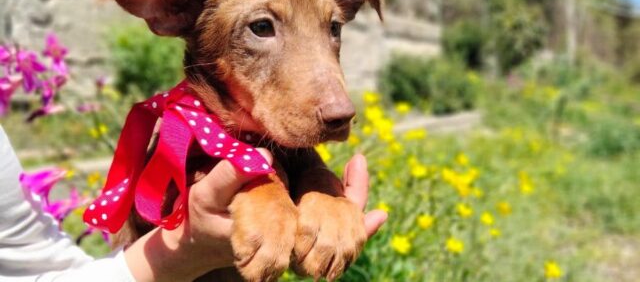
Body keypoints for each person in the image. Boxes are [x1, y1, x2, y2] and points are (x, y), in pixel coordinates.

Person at [0, 125, 387, 281]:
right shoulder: (180, 131)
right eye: (262, 27)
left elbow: (34, 260)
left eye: (334, 29)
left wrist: (323, 196)